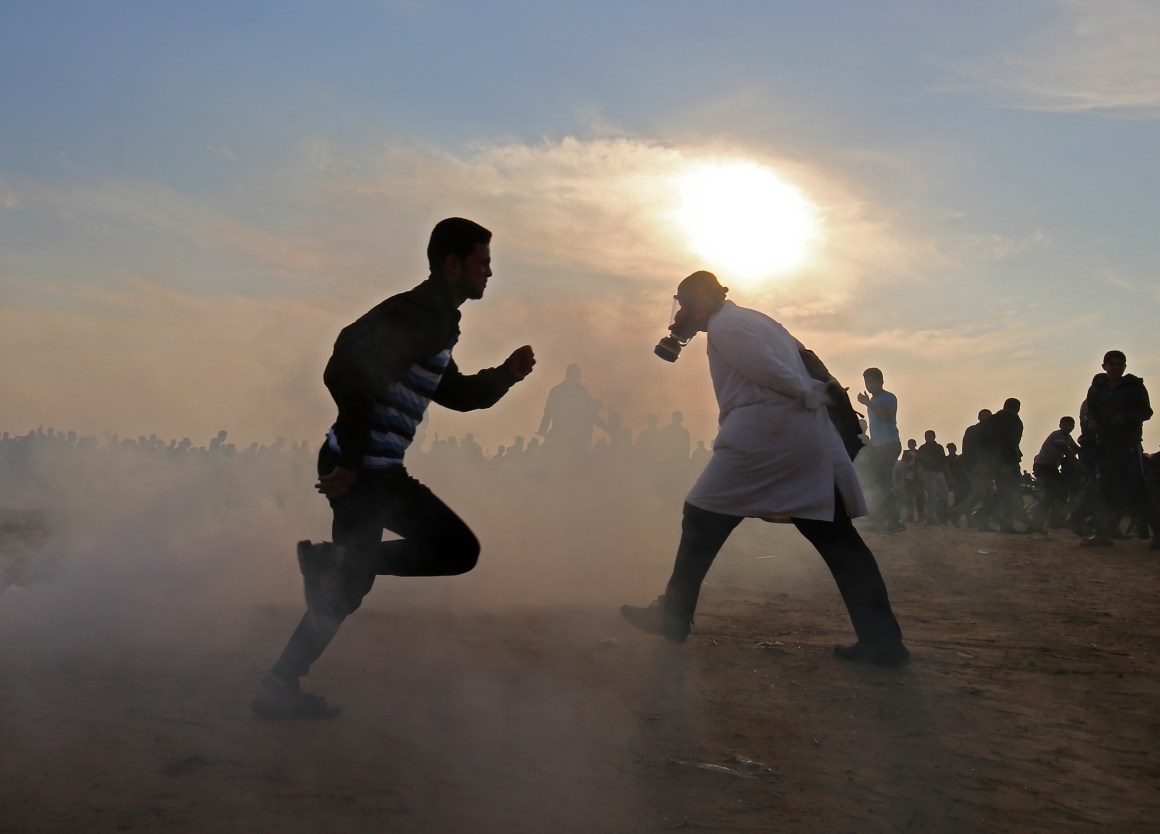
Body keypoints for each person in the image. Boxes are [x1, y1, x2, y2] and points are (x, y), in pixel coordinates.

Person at [252, 217, 536, 718]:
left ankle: (281, 681)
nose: (489, 273)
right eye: (482, 263)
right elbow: (346, 367)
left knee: (350, 584)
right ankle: (329, 573)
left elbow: (454, 393)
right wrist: (356, 458)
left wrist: (505, 377)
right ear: (453, 264)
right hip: (365, 469)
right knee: (454, 549)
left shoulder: (433, 320)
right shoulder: (422, 315)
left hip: (369, 466)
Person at [619, 272, 908, 667]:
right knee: (837, 539)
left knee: (701, 517)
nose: (681, 314)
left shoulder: (727, 326)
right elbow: (806, 360)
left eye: (685, 304)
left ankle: (673, 615)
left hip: (764, 437)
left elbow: (768, 369)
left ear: (702, 301)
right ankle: (883, 641)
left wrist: (807, 393)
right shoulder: (757, 319)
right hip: (799, 437)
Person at [1078, 350, 1160, 549]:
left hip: (1128, 446)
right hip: (1105, 445)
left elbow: (1146, 411)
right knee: (1103, 490)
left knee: (1138, 491)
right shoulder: (1097, 389)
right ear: (1104, 366)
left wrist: (1127, 417)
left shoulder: (1134, 387)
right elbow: (1089, 411)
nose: (1116, 367)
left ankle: (1157, 534)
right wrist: (1091, 421)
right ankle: (1102, 534)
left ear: (1124, 367)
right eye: (1112, 364)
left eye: (1120, 364)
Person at [857, 368, 904, 533]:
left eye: (871, 382)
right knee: (874, 481)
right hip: (878, 446)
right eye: (866, 382)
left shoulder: (888, 397)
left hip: (889, 445)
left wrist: (868, 403)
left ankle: (894, 520)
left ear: (881, 382)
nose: (869, 386)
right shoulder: (875, 399)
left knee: (883, 482)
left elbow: (886, 417)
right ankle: (880, 519)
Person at [1032, 417, 1080, 527]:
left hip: (1052, 468)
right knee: (1051, 493)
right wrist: (1078, 464)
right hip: (1043, 467)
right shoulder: (1057, 435)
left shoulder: (1068, 437)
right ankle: (1037, 517)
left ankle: (1055, 519)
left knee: (1062, 491)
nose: (1068, 427)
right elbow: (1065, 450)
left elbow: (1075, 448)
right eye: (1065, 425)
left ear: (1073, 427)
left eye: (1070, 425)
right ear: (1060, 425)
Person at [915, 430, 949, 524]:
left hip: (939, 472)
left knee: (944, 494)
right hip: (928, 472)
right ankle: (930, 518)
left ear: (934, 436)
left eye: (929, 436)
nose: (927, 437)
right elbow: (920, 463)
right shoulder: (923, 448)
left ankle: (932, 511)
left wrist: (948, 474)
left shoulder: (939, 447)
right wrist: (920, 476)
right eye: (926, 436)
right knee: (932, 495)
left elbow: (944, 461)